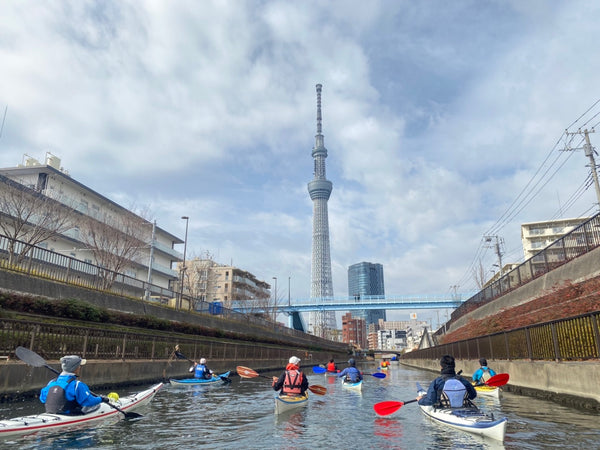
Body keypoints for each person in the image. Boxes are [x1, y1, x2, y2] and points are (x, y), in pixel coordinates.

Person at [40, 355, 108, 415]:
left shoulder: (52, 382)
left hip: (51, 414)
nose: (80, 368)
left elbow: (42, 399)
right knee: (94, 405)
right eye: (79, 366)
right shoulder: (77, 385)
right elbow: (88, 402)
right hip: (70, 415)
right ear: (76, 368)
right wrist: (101, 399)